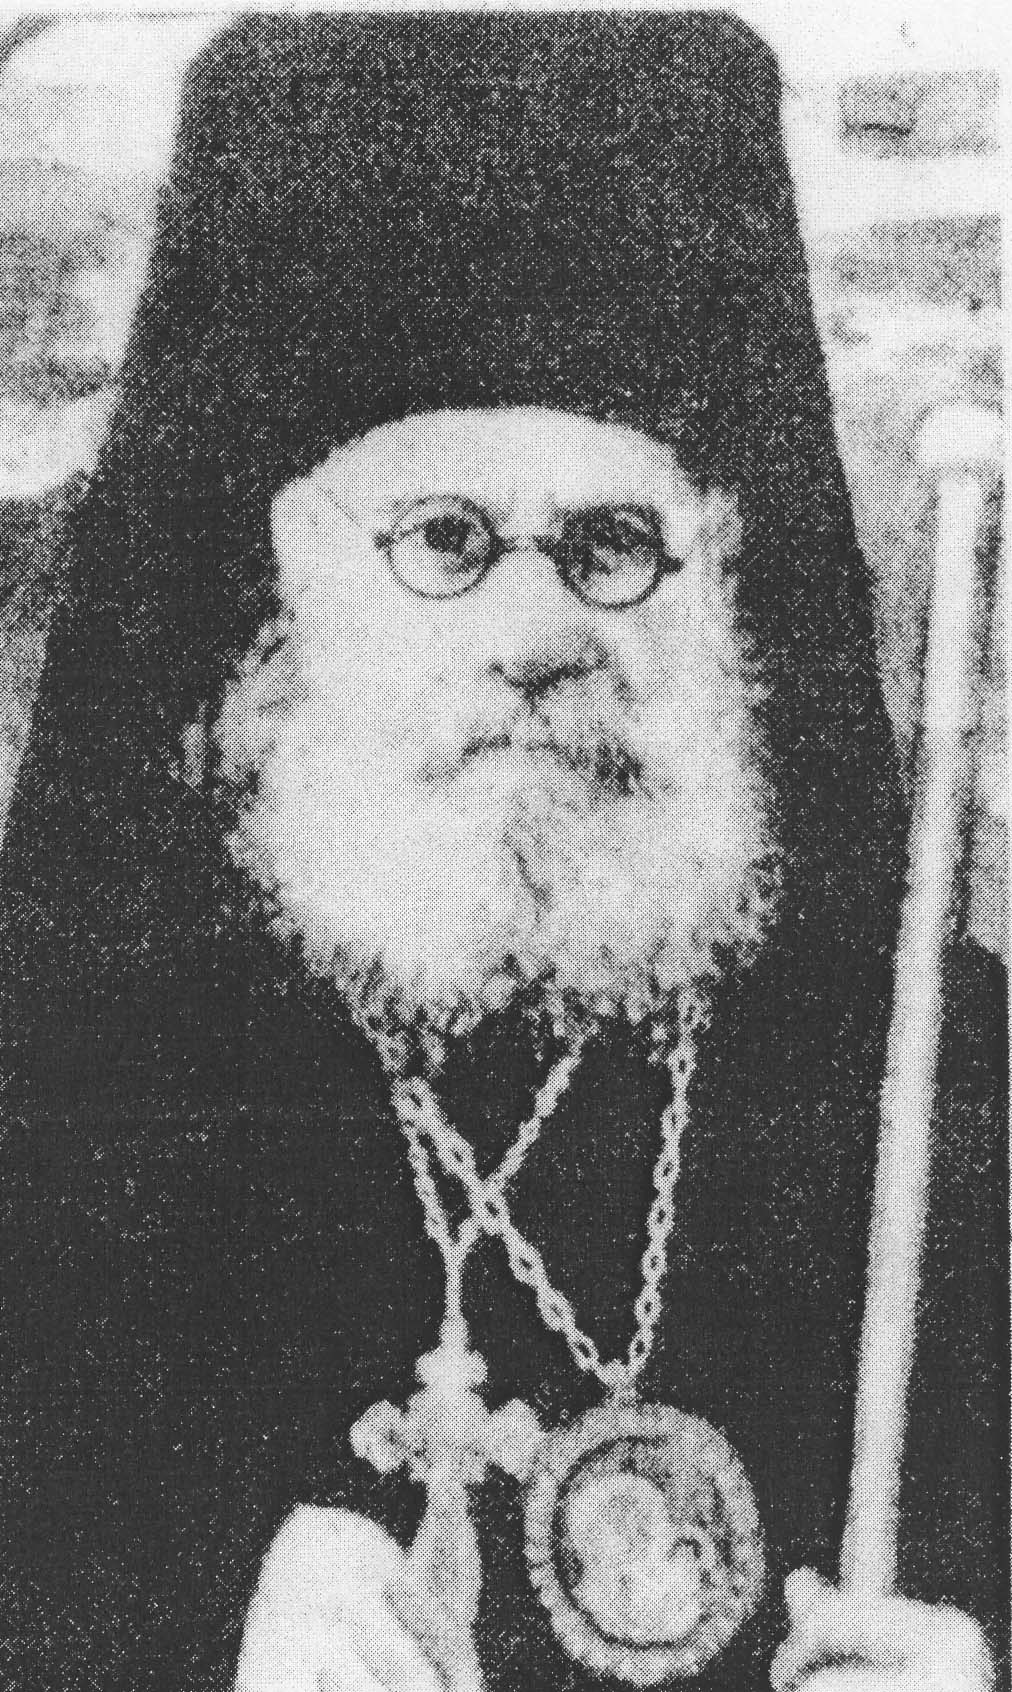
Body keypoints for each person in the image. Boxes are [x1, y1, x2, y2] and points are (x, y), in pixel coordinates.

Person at [0, 14, 1004, 1692]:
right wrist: (185, 1634)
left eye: (614, 545)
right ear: (289, 574)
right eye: (447, 540)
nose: (539, 636)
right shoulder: (61, 1059)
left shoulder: (932, 1070)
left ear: (717, 583)